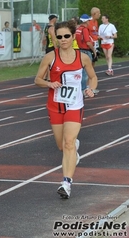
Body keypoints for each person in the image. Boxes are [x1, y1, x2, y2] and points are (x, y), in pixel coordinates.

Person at [34, 20, 97, 199]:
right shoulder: (50, 57)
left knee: (68, 143)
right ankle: (74, 149)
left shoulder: (83, 57)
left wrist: (90, 89)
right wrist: (49, 83)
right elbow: (37, 79)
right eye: (59, 37)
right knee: (62, 146)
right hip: (55, 106)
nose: (63, 40)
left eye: (66, 36)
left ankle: (66, 183)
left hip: (75, 106)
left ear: (72, 36)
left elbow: (93, 77)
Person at [75, 14, 96, 93]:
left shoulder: (78, 29)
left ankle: (81, 88)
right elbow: (88, 42)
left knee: (81, 71)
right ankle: (83, 89)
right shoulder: (84, 29)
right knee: (86, 72)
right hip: (86, 51)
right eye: (88, 21)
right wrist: (93, 50)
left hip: (79, 50)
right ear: (86, 21)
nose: (89, 22)